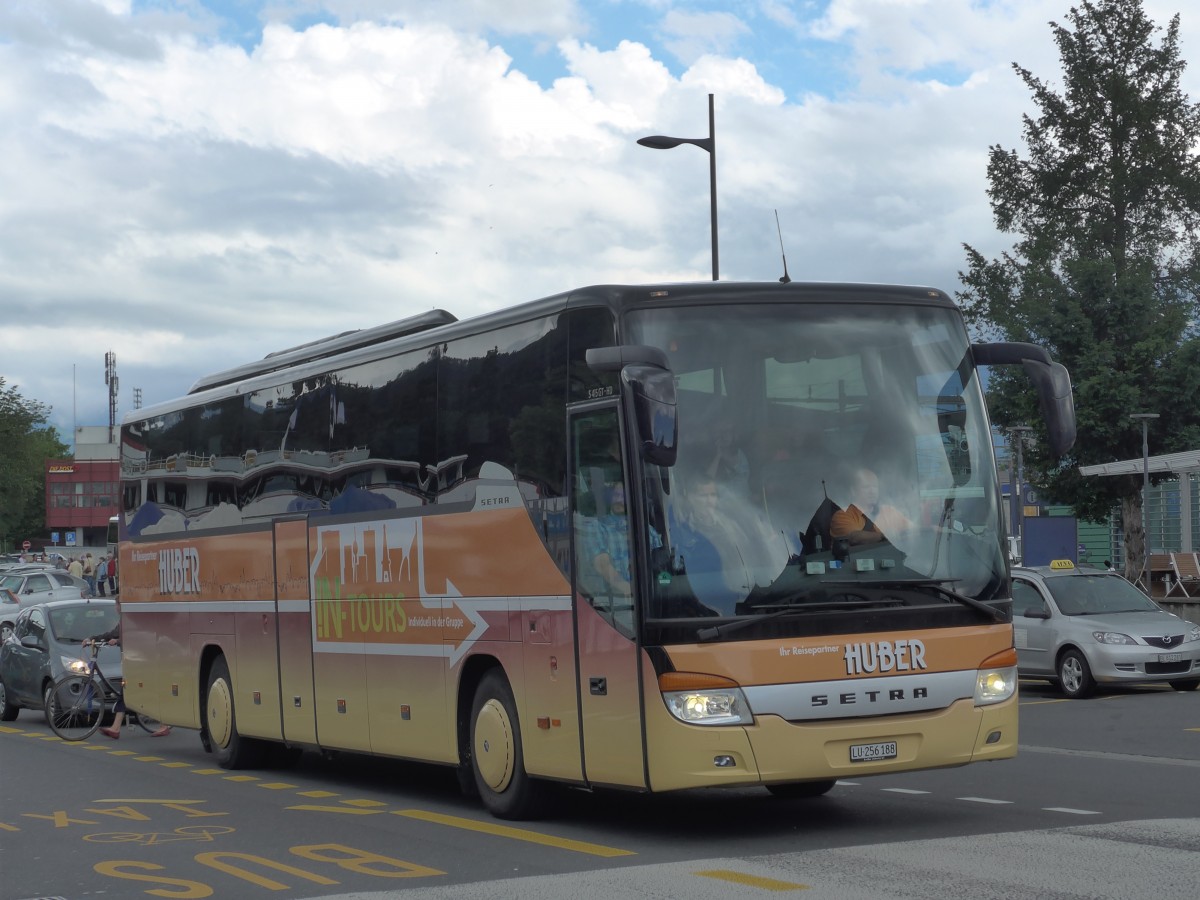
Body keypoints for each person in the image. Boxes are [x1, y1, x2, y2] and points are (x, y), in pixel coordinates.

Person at [87, 605, 171, 740]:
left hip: (145, 660)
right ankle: (116, 728)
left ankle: (164, 724)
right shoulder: (124, 620)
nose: (116, 608)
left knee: (142, 690)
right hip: (133, 661)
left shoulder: (136, 619)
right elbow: (111, 634)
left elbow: (140, 636)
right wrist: (92, 639)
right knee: (124, 691)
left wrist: (119, 641)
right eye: (116, 606)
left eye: (118, 605)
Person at [830, 467, 913, 546]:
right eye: (866, 487)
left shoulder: (889, 511)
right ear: (853, 491)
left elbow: (913, 530)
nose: (872, 491)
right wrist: (884, 536)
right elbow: (854, 537)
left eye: (875, 487)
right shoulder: (843, 515)